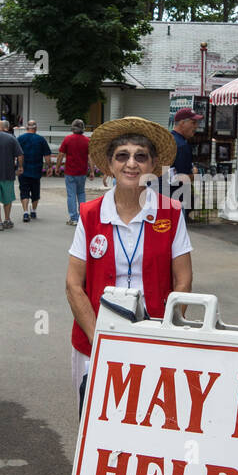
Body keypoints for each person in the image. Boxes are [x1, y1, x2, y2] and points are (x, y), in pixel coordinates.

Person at [66, 117, 192, 409]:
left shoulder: (170, 212)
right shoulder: (90, 214)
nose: (131, 164)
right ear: (110, 165)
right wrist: (99, 338)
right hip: (95, 337)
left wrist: (166, 332)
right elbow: (73, 285)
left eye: (141, 157)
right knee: (96, 422)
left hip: (155, 337)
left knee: (149, 423)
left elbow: (183, 280)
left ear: (152, 165)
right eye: (122, 156)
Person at [169, 107, 202, 216]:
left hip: (162, 196)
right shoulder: (181, 145)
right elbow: (181, 178)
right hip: (175, 199)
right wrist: (194, 174)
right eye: (193, 123)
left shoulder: (168, 139)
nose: (196, 126)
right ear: (182, 123)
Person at [17, 120, 52, 221]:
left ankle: (25, 212)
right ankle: (33, 211)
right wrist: (49, 167)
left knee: (24, 191)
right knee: (35, 192)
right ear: (35, 128)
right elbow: (47, 155)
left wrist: (18, 166)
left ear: (26, 128)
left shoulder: (20, 139)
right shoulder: (41, 140)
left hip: (23, 169)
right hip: (36, 169)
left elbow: (16, 154)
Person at [58, 118, 90, 226]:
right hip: (82, 171)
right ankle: (82, 217)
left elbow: (61, 154)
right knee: (81, 193)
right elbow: (90, 157)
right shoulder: (87, 141)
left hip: (70, 171)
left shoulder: (67, 139)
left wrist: (57, 167)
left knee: (71, 195)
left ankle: (73, 218)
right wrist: (92, 171)